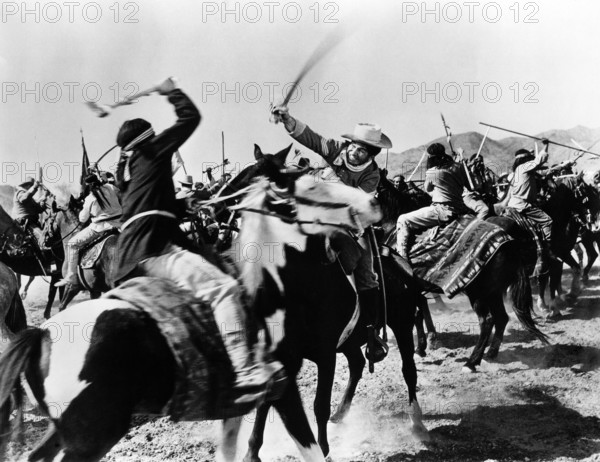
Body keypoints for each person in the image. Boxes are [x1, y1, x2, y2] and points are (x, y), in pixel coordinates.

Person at [114, 77, 283, 404]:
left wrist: (182, 205)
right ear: (148, 140)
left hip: (125, 260)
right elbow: (190, 118)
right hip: (154, 252)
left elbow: (153, 206)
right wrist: (171, 91)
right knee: (224, 289)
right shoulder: (152, 152)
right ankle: (245, 371)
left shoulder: (133, 171)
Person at [270, 102, 391, 361]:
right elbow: (311, 137)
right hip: (309, 209)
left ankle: (370, 332)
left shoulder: (372, 175)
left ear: (372, 154)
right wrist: (287, 119)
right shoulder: (335, 150)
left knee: (366, 270)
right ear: (350, 144)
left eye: (364, 151)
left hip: (346, 221)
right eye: (356, 147)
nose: (357, 153)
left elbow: (358, 204)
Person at [396, 143, 470, 264]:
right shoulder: (459, 166)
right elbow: (469, 186)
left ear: (430, 157)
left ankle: (401, 259)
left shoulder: (432, 172)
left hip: (441, 210)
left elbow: (428, 189)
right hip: (460, 208)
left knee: (403, 219)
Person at [55, 173, 122, 286]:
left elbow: (82, 218)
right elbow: (118, 193)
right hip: (120, 225)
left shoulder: (90, 198)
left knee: (72, 244)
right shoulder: (111, 188)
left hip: (100, 228)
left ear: (87, 186)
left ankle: (71, 275)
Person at [505, 140, 568, 261]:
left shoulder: (517, 171)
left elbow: (544, 171)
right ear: (525, 160)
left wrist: (563, 166)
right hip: (523, 205)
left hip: (513, 204)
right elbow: (539, 161)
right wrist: (546, 145)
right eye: (528, 158)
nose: (530, 160)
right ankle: (549, 250)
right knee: (547, 221)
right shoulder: (524, 167)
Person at [11, 176, 51, 248]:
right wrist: (35, 187)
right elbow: (24, 198)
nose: (31, 187)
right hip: (26, 224)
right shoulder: (20, 193)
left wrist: (45, 198)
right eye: (31, 185)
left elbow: (37, 209)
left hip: (32, 223)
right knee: (42, 238)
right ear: (27, 185)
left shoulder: (29, 198)